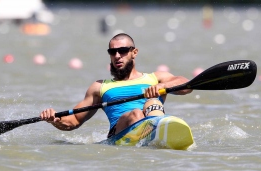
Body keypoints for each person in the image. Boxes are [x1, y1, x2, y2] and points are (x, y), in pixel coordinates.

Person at [40, 33, 192, 138]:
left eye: (123, 51)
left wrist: (162, 86)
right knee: (135, 113)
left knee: (152, 102)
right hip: (119, 135)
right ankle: (153, 133)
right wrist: (55, 119)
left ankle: (156, 133)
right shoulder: (99, 87)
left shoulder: (156, 78)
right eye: (112, 52)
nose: (117, 56)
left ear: (134, 52)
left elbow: (187, 86)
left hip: (152, 121)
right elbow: (74, 121)